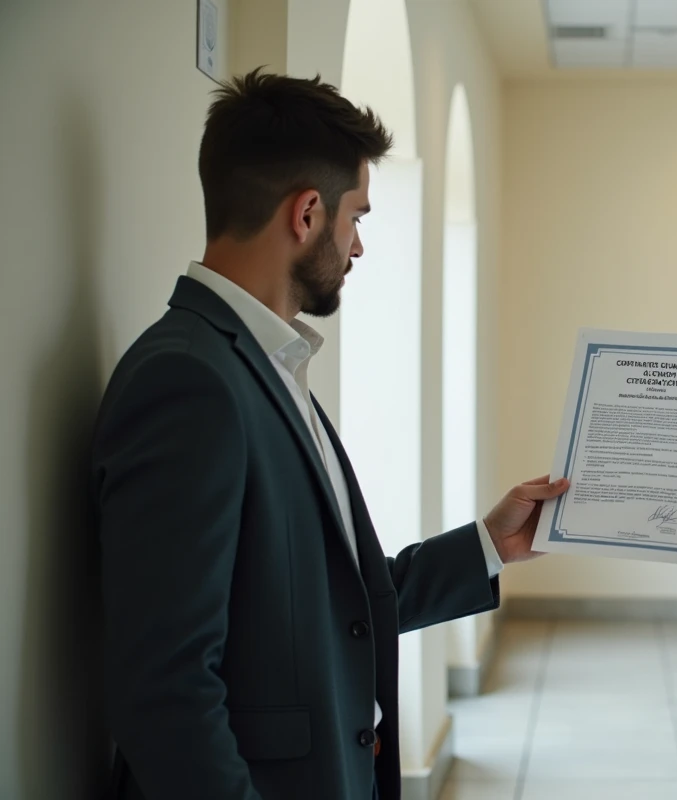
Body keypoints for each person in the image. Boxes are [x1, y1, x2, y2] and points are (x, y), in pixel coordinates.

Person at [91, 69, 567, 800]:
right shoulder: (189, 381)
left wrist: (488, 545)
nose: (359, 247)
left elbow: (329, 606)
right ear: (307, 213)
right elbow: (167, 688)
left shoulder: (265, 361)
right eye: (358, 217)